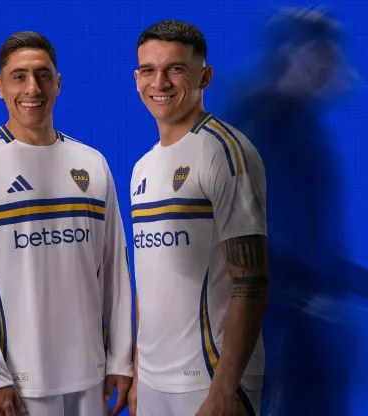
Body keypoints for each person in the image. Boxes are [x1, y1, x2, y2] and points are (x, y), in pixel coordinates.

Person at [225, 8, 368, 415]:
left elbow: (311, 240)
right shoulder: (257, 126)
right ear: (296, 53)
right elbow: (281, 236)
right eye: (325, 53)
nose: (333, 66)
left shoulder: (304, 128)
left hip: (301, 326)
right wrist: (360, 284)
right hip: (272, 326)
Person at [0, 31, 133, 416]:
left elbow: (116, 267)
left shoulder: (92, 163)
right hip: (19, 381)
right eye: (19, 76)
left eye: (43, 75)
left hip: (90, 373)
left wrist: (120, 359)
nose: (32, 88)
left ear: (58, 83)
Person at [128, 20, 268, 416]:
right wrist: (139, 375)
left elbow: (251, 282)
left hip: (209, 377)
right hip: (153, 381)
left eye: (175, 69)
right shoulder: (142, 167)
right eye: (149, 70)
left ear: (204, 77)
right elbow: (150, 280)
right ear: (137, 79)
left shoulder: (223, 151)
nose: (160, 82)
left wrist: (224, 390)